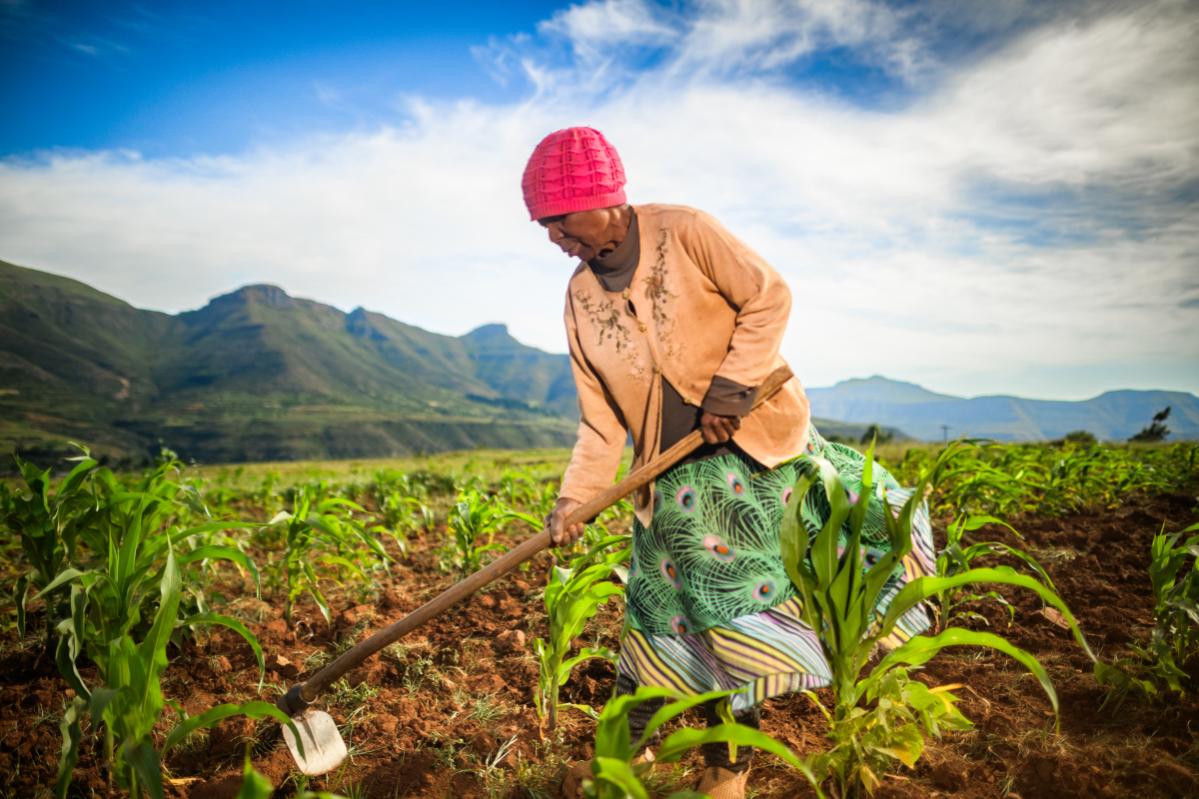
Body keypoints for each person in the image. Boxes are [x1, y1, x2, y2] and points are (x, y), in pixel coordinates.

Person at [523, 126, 935, 799]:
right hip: (667, 473)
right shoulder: (580, 297)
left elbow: (768, 293)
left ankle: (724, 768)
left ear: (605, 201)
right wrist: (575, 497)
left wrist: (731, 389)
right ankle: (620, 758)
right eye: (543, 223)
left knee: (719, 609)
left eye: (559, 218)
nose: (552, 236)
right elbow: (599, 415)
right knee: (656, 613)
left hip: (749, 452)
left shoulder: (683, 231)